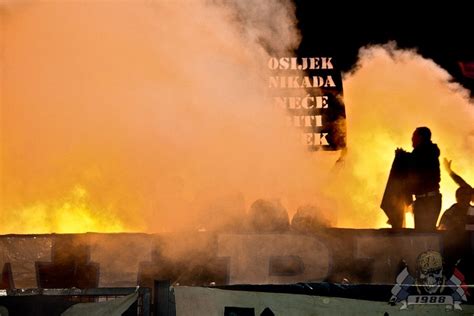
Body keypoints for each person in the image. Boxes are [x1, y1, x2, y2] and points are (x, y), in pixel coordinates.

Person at [382, 127, 441, 231]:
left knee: (425, 234)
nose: (412, 140)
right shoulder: (424, 153)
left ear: (420, 137)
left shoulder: (428, 152)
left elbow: (418, 164)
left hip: (429, 201)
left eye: (414, 137)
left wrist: (402, 156)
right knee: (421, 233)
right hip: (422, 201)